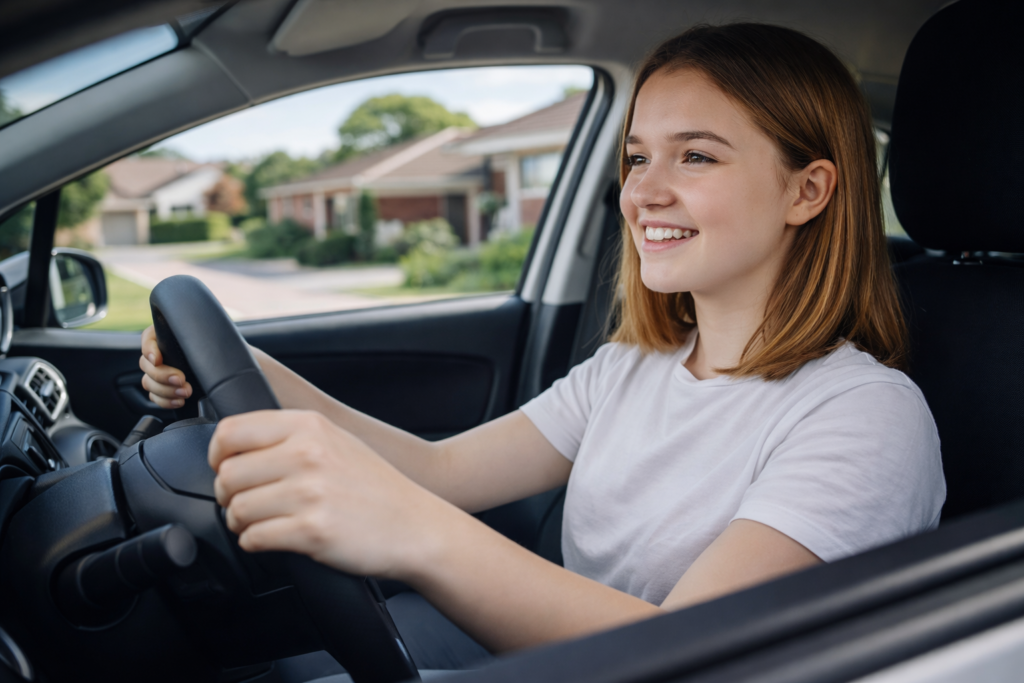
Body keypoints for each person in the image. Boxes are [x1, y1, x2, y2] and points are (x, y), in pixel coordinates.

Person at [139, 23, 945, 674]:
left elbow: (693, 652)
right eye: (637, 157)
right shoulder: (630, 366)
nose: (641, 191)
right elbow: (440, 472)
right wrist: (241, 367)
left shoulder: (864, 414)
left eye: (695, 155)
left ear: (807, 190)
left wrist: (413, 532)